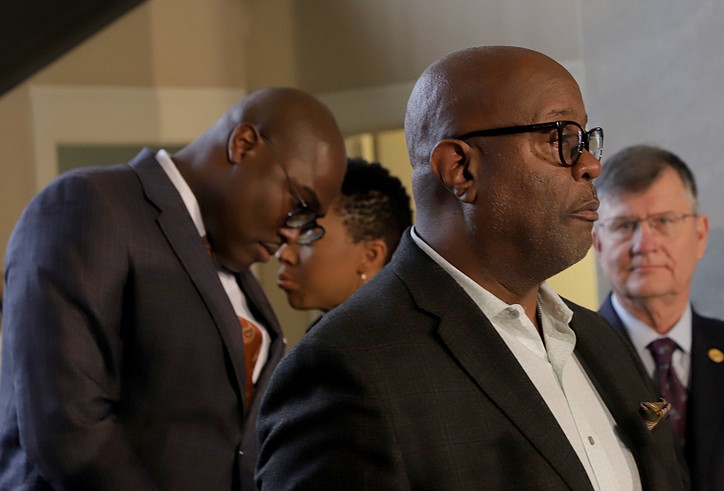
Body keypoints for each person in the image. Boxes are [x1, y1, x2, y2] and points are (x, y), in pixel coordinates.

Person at [256, 46, 688, 490]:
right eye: (560, 138)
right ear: (461, 169)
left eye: (585, 140)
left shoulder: (600, 340)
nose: (591, 164)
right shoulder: (348, 367)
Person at [0, 87, 346, 490]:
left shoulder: (237, 271)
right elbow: (69, 429)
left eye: (308, 222)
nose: (291, 232)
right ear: (244, 145)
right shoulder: (89, 204)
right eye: (298, 203)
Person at [592, 145, 724, 490]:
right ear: (597, 243)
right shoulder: (567, 360)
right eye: (624, 225)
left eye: (663, 221)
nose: (645, 244)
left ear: (700, 234)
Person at [275, 156, 412, 314]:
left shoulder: (397, 336)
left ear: (370, 256)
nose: (283, 254)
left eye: (308, 235)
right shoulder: (334, 334)